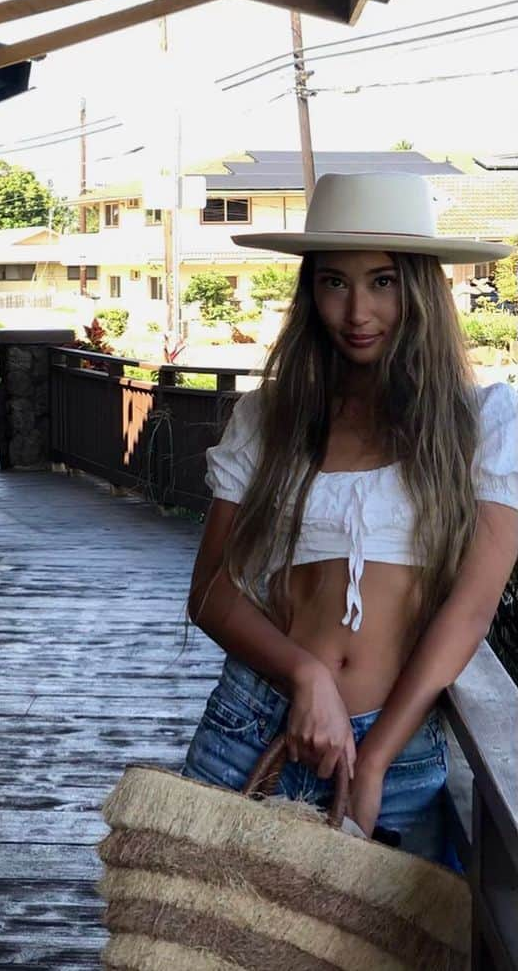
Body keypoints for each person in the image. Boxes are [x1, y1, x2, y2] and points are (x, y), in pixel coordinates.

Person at [181, 172, 518, 864]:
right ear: (311, 293)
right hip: (255, 722)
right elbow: (211, 593)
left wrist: (373, 761)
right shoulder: (270, 418)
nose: (357, 310)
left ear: (422, 288)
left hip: (392, 748)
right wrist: (306, 678)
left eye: (384, 282)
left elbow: (469, 610)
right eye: (334, 282)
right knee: (197, 936)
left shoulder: (483, 424)